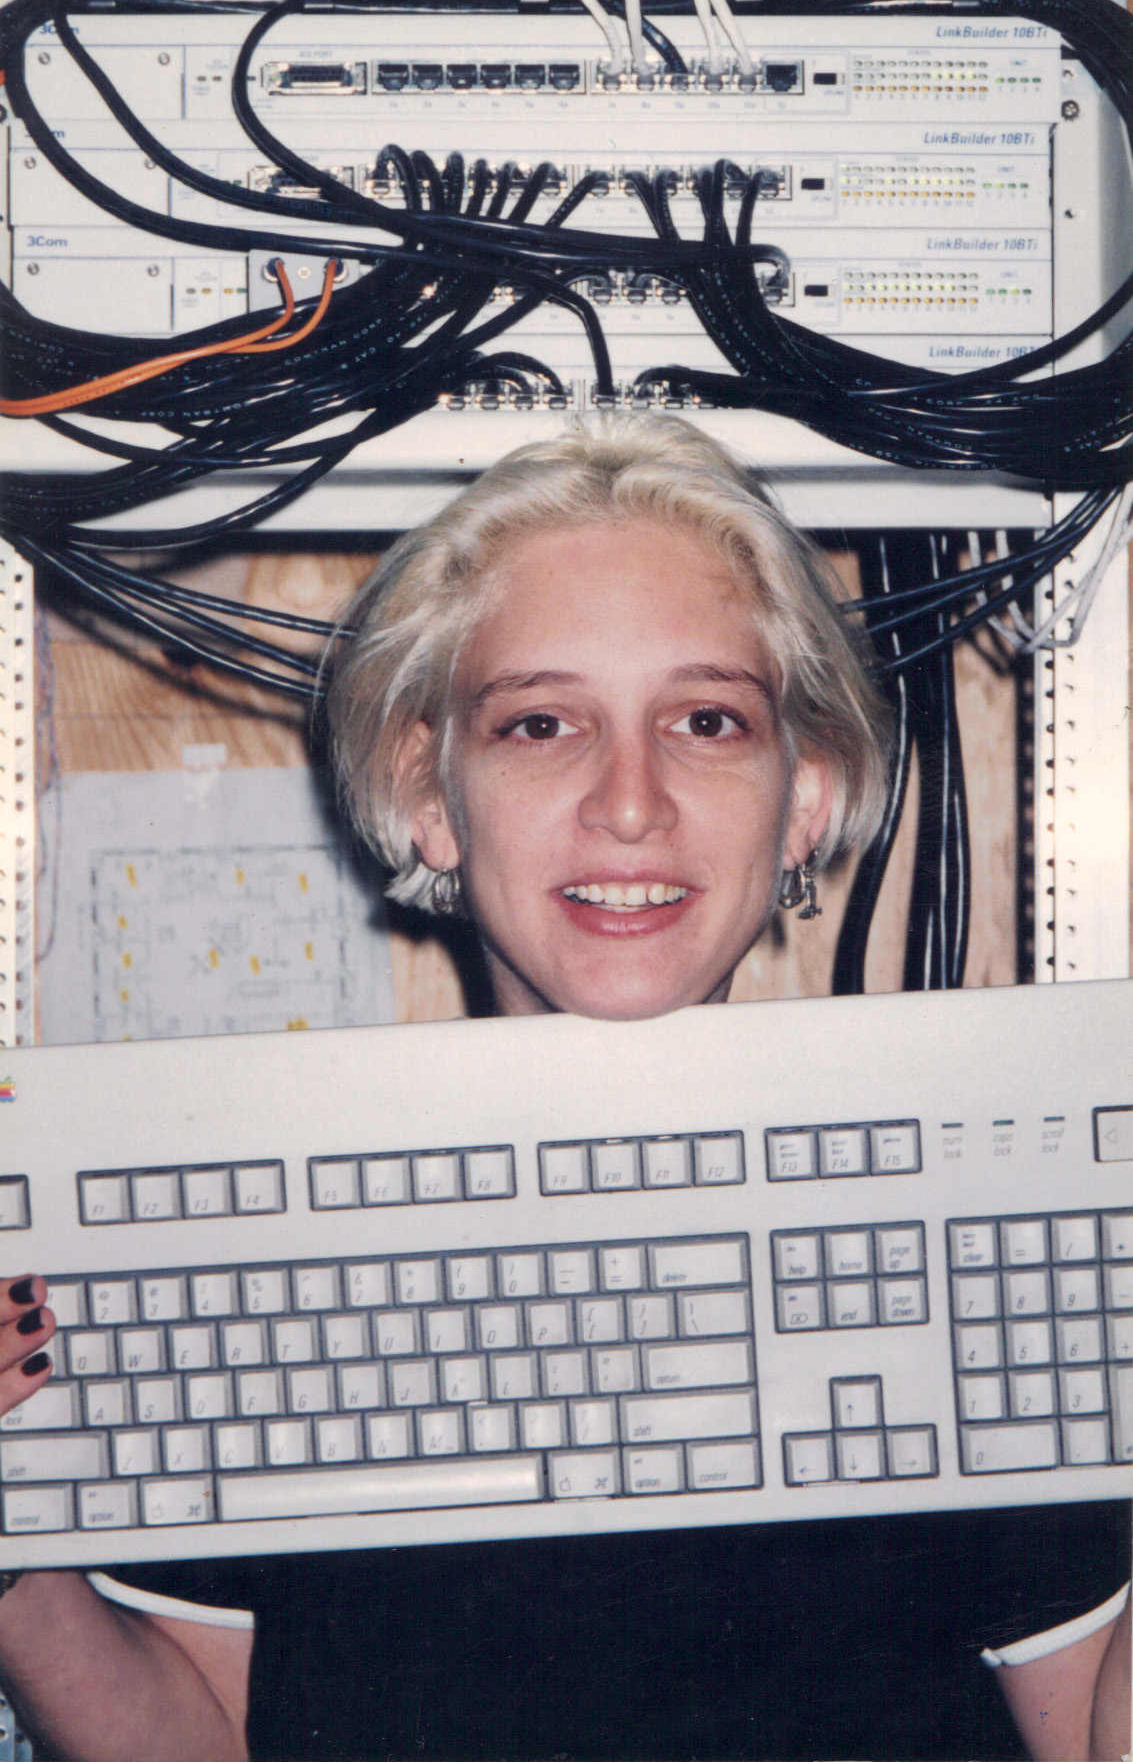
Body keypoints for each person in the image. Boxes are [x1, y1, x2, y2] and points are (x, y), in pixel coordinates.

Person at [0, 416, 1127, 1762]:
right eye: (541, 724)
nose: (629, 802)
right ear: (430, 795)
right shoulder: (249, 1225)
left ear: (805, 798)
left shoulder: (967, 1214)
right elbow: (192, 1741)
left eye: (706, 720)